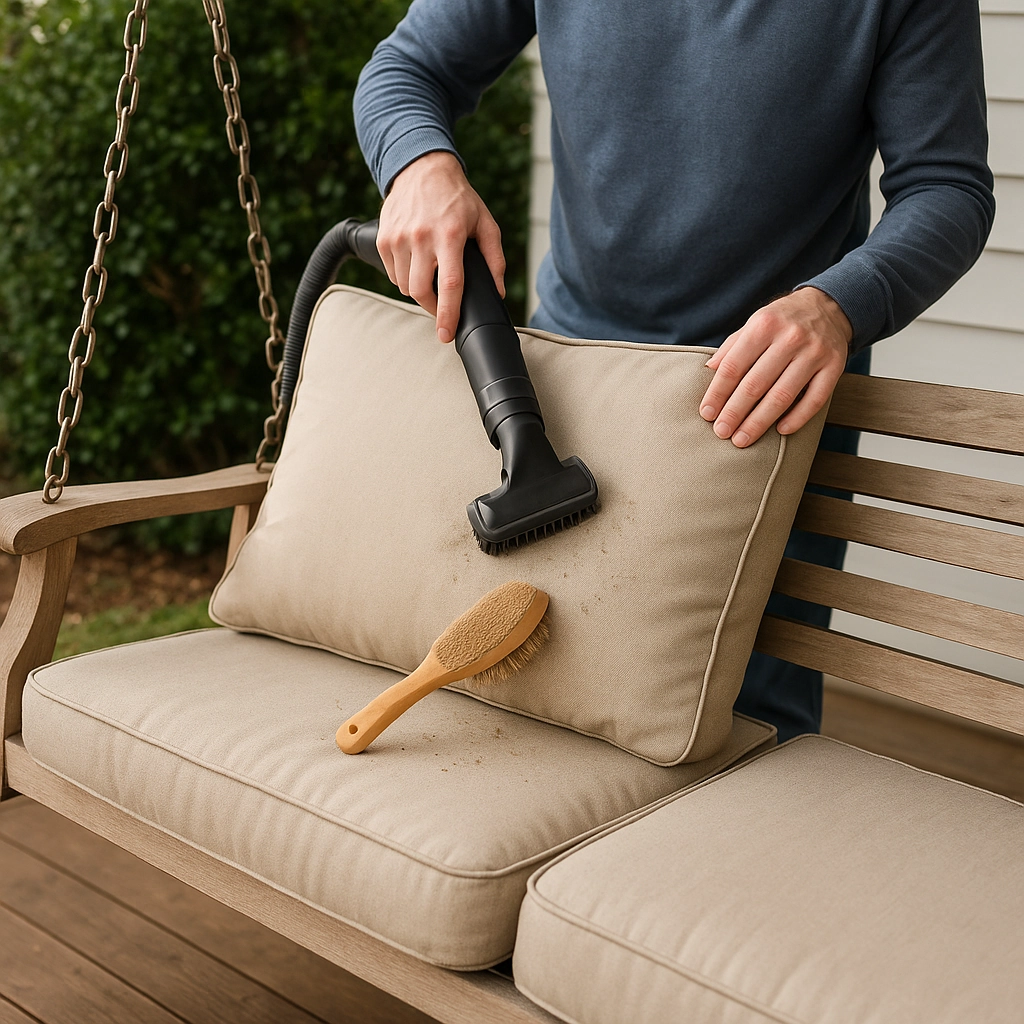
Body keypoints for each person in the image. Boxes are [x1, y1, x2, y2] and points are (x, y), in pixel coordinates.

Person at [353, 0, 995, 741]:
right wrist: (419, 164)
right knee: (542, 718)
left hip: (761, 412)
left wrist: (836, 307)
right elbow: (406, 68)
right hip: (568, 406)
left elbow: (947, 188)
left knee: (748, 739)